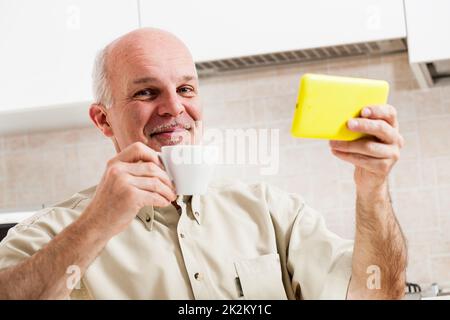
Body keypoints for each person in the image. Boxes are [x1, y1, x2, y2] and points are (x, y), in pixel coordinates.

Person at [0, 28, 407, 300]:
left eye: (185, 88)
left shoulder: (271, 212)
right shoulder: (55, 230)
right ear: (103, 119)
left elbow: (376, 295)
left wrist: (373, 190)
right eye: (146, 92)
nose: (174, 108)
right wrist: (97, 224)